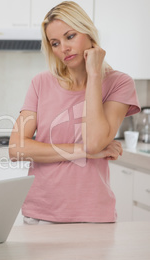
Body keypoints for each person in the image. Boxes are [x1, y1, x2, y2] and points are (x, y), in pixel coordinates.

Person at [9, 1, 140, 224]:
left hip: (93, 215)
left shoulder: (119, 83)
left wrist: (94, 74)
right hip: (40, 214)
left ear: (89, 33)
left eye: (70, 36)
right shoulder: (40, 83)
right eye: (55, 43)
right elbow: (16, 148)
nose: (64, 48)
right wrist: (84, 151)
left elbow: (95, 142)